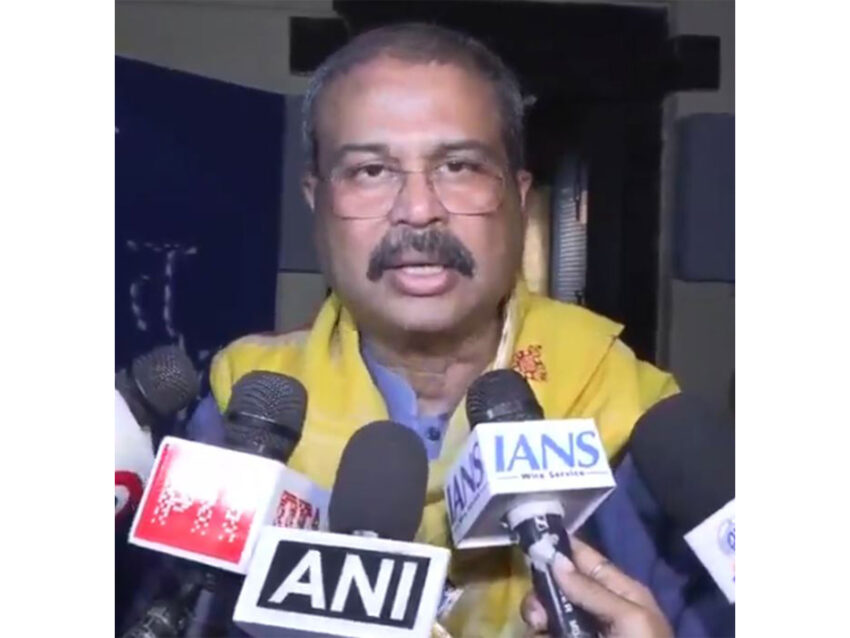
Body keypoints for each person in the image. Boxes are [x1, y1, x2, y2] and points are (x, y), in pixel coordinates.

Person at [190, 23, 730, 637]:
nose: (419, 210)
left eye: (459, 166)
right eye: (371, 170)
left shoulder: (638, 427)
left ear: (518, 198)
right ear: (317, 202)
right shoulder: (241, 416)